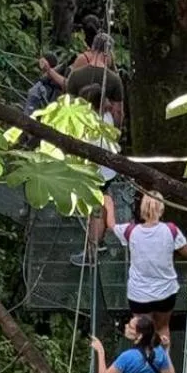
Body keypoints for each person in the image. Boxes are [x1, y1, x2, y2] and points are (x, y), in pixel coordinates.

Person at [104, 191, 187, 348]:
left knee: (142, 332)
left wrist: (109, 204)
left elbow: (111, 225)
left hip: (139, 295)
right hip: (165, 293)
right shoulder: (171, 230)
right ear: (161, 210)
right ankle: (163, 364)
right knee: (162, 328)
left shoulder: (130, 231)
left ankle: (144, 364)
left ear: (142, 209)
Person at [70, 86, 119, 267]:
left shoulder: (91, 123)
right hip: (107, 171)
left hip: (97, 173)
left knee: (95, 210)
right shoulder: (106, 116)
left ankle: (92, 249)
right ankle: (100, 240)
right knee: (100, 205)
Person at [91, 312, 175, 373]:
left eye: (130, 327)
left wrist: (100, 351)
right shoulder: (159, 351)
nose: (126, 326)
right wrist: (166, 351)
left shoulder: (127, 357)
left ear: (139, 336)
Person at [65, 31, 125, 129]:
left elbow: (68, 105)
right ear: (107, 52)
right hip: (104, 127)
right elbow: (118, 112)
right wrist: (116, 132)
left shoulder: (75, 75)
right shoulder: (114, 79)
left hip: (79, 125)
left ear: (93, 49)